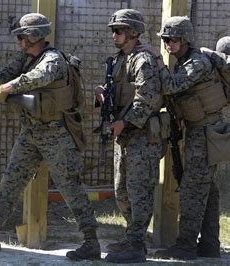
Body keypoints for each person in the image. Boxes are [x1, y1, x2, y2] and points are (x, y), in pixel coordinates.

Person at [0, 13, 101, 261]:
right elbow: (1, 77)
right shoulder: (26, 58)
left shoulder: (52, 60)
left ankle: (91, 242)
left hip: (57, 134)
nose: (19, 42)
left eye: (22, 36)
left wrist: (10, 88)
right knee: (10, 182)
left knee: (70, 187)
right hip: (32, 132)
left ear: (36, 36)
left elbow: (38, 77)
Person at [94, 9, 164, 263]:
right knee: (121, 190)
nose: (114, 35)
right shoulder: (120, 59)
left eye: (119, 30)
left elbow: (148, 99)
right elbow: (121, 94)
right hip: (125, 136)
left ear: (133, 32)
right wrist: (103, 94)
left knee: (138, 191)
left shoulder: (142, 59)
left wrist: (126, 122)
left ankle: (136, 245)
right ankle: (132, 237)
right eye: (113, 30)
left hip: (142, 137)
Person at [154, 16, 226, 260]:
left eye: (172, 39)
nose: (167, 45)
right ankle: (209, 245)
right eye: (165, 40)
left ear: (185, 39)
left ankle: (186, 246)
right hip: (198, 132)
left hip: (205, 134)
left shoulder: (196, 62)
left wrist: (159, 67)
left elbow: (172, 86)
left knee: (193, 190)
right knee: (207, 190)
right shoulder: (185, 60)